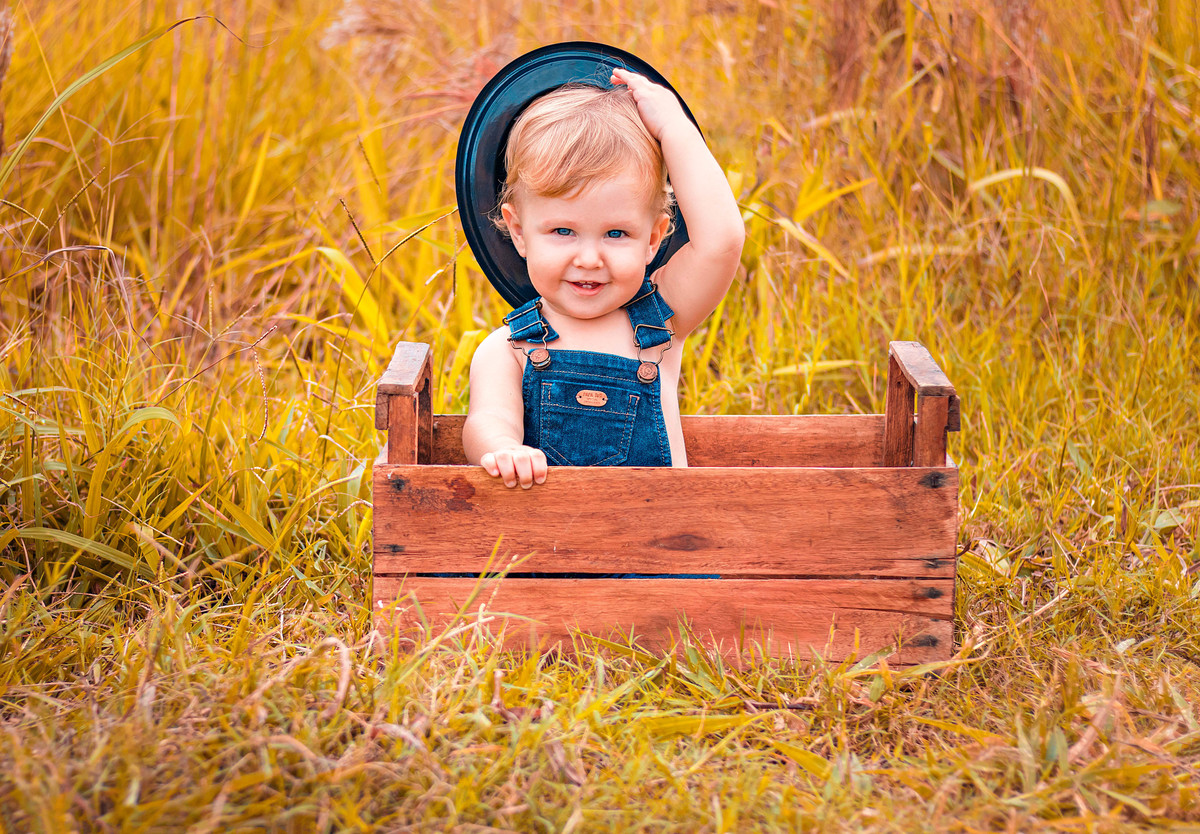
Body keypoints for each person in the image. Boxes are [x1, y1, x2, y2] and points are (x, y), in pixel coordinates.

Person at [462, 68, 744, 488]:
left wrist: (673, 128)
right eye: (563, 231)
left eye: (616, 233)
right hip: (547, 545)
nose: (590, 258)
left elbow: (722, 240)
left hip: (664, 542)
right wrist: (504, 447)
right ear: (519, 232)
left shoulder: (663, 320)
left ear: (652, 239)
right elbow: (486, 420)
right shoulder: (509, 350)